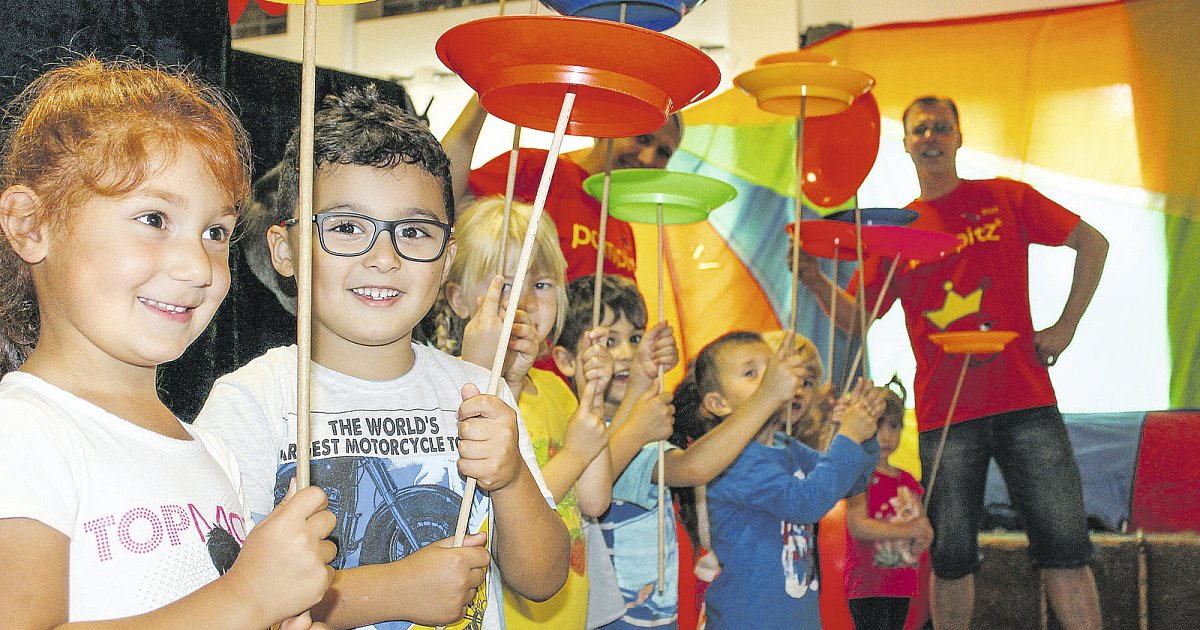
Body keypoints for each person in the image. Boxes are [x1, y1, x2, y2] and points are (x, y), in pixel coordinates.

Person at [194, 86, 569, 629]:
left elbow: (544, 579)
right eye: (347, 227)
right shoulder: (253, 402)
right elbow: (226, 595)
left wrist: (510, 480)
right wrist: (386, 593)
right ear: (286, 251)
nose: (384, 257)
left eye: (414, 232)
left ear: (446, 261)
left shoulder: (478, 394)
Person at [0, 58, 335, 628]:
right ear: (32, 226)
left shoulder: (213, 454)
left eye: (216, 232)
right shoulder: (23, 432)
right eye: (154, 218)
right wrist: (247, 599)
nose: (197, 267)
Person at [795, 95, 1108, 630]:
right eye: (920, 130)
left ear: (960, 137)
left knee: (1065, 549)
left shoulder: (1006, 198)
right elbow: (857, 318)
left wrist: (1065, 327)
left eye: (942, 128)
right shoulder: (897, 229)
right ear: (907, 145)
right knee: (950, 556)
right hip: (946, 415)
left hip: (1027, 401)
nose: (931, 138)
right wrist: (814, 279)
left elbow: (1092, 243)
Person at [430, 196, 615, 629]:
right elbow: (490, 523)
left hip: (568, 614)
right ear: (458, 299)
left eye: (542, 284)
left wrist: (592, 398)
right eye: (506, 285)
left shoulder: (554, 389)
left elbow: (595, 499)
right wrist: (571, 455)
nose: (527, 303)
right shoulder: (460, 394)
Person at [672, 331, 882, 630]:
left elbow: (848, 483)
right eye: (751, 372)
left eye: (772, 368)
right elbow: (807, 501)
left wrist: (865, 436)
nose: (773, 378)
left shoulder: (786, 446)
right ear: (718, 403)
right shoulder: (733, 463)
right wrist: (848, 437)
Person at [441, 95, 683, 282]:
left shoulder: (624, 228)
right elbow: (445, 197)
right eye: (642, 138)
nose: (648, 158)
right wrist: (483, 94)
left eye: (664, 153)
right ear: (606, 129)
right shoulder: (538, 170)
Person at [844, 378, 933, 630]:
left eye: (894, 426)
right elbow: (858, 527)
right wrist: (910, 531)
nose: (886, 435)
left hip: (902, 584)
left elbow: (922, 528)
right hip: (868, 587)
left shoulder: (908, 480)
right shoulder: (860, 475)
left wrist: (922, 538)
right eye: (878, 426)